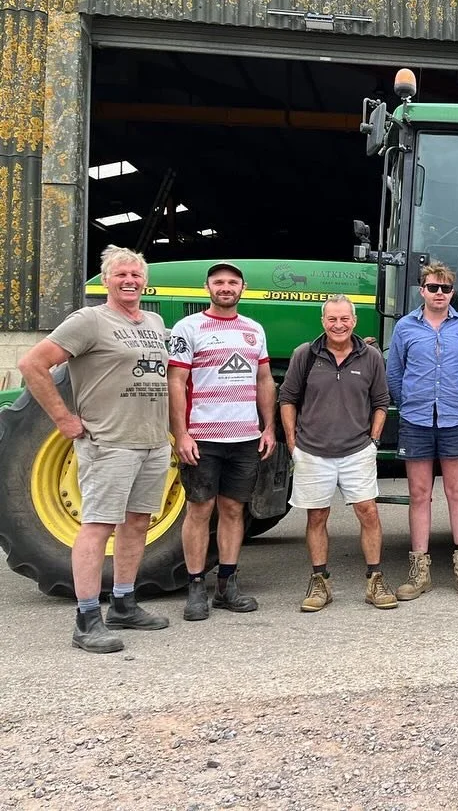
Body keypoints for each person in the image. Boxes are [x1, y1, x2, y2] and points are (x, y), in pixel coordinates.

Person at [17, 245, 171, 653]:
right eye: (121, 274)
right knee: (98, 526)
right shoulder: (89, 320)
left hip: (153, 442)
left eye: (136, 275)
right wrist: (64, 420)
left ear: (145, 280)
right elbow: (33, 363)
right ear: (106, 280)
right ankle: (87, 618)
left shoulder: (154, 321)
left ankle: (123, 602)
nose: (129, 281)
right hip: (110, 442)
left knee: (137, 522)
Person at [167, 261, 276, 621]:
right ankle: (195, 587)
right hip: (202, 438)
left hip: (245, 437)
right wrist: (181, 434)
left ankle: (227, 584)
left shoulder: (253, 330)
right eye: (219, 282)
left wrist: (269, 427)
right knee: (199, 510)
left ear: (242, 288)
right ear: (207, 287)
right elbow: (177, 383)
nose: (226, 287)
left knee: (233, 510)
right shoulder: (188, 328)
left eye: (232, 282)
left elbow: (264, 380)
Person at [278, 295, 396, 612]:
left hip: (357, 450)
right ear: (323, 322)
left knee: (368, 513)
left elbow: (381, 403)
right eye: (332, 319)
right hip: (313, 452)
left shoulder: (370, 357)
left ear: (354, 321)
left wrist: (373, 441)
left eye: (345, 319)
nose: (338, 325)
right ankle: (320, 583)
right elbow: (287, 399)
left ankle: (375, 580)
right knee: (317, 516)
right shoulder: (304, 355)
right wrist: (293, 444)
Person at [386, 261, 458, 600]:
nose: (438, 294)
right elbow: (394, 373)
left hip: (456, 418)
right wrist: (410, 402)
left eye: (445, 288)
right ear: (421, 290)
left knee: (457, 492)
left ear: (452, 292)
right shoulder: (405, 328)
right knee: (419, 494)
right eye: (432, 287)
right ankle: (419, 571)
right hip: (417, 419)